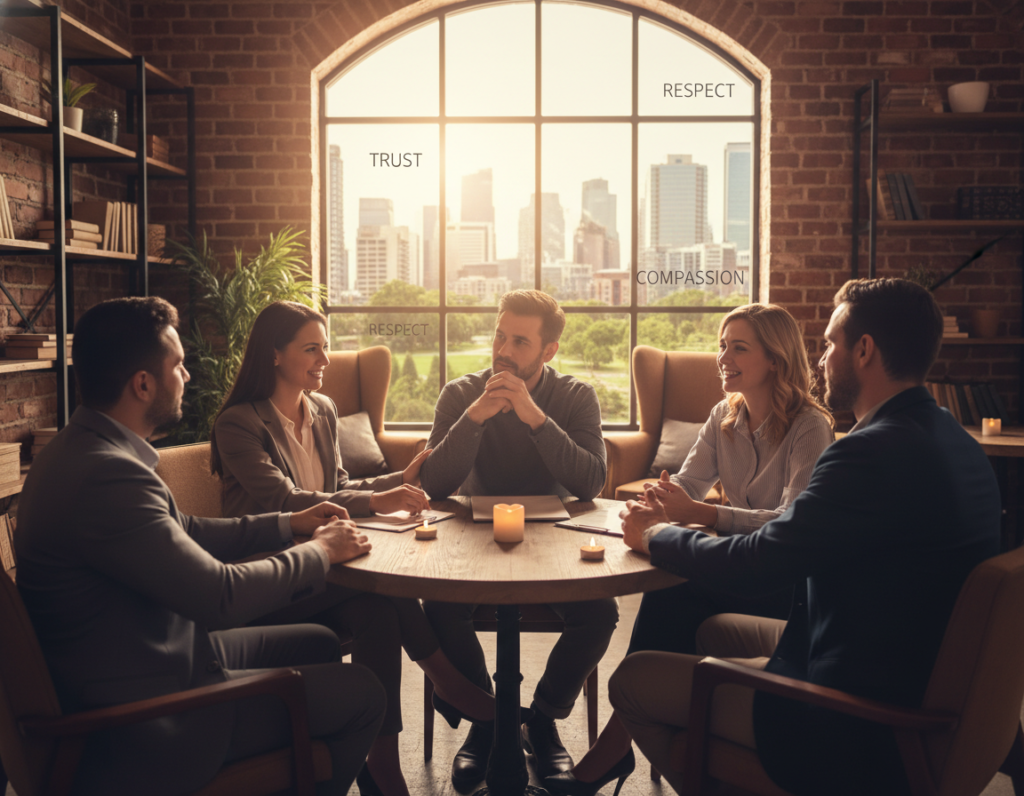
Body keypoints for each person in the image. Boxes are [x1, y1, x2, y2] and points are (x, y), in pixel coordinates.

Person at [611, 278, 1001, 796]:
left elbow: (760, 563)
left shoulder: (867, 453)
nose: (820, 360)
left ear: (864, 350)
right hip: (903, 668)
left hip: (855, 716)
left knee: (632, 682)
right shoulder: (954, 438)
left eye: (829, 344)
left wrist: (656, 537)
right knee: (706, 631)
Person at [15, 297, 385, 796]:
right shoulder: (108, 475)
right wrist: (319, 551)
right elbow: (219, 596)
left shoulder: (84, 449)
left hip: (144, 660)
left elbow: (184, 527)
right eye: (179, 365)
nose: (188, 377)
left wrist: (288, 522)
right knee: (363, 693)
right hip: (146, 721)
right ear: (143, 384)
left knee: (316, 642)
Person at [545, 303, 835, 796]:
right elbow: (690, 483)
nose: (723, 357)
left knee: (676, 590)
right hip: (736, 566)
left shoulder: (811, 427)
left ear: (775, 360)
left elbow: (790, 525)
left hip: (781, 583)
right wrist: (658, 501)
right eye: (722, 345)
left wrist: (702, 515)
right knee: (672, 589)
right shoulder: (725, 414)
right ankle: (628, 736)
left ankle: (619, 744)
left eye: (739, 347)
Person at [211, 300, 496, 796]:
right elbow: (286, 499)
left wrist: (396, 479)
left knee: (377, 607)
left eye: (326, 347)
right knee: (380, 589)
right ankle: (446, 682)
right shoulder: (239, 423)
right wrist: (377, 499)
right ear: (274, 354)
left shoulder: (321, 409)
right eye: (311, 349)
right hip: (270, 579)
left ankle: (381, 763)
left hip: (329, 575)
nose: (325, 359)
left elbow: (340, 484)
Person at [419, 289, 615, 792]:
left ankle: (542, 720)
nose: (503, 350)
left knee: (600, 612)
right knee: (436, 607)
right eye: (500, 335)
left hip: (550, 544)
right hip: (473, 543)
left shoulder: (575, 396)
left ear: (548, 351)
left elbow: (591, 480)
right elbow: (433, 484)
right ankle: (488, 720)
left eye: (520, 342)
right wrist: (476, 418)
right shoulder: (460, 395)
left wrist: (533, 416)